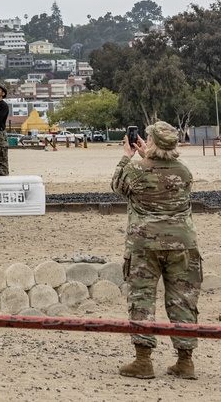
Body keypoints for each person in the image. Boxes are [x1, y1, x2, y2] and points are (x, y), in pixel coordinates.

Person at [111, 121, 202, 380]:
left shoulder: (136, 169)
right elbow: (164, 180)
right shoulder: (184, 171)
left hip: (145, 244)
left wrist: (127, 157)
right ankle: (185, 361)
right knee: (183, 300)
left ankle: (143, 361)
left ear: (150, 142)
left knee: (142, 298)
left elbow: (118, 186)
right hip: (183, 243)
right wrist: (147, 156)